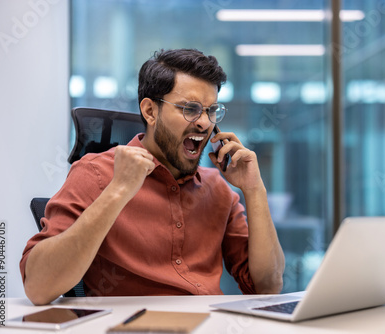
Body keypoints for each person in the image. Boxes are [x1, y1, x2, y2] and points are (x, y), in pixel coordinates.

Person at [20, 48, 285, 305]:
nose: (205, 123)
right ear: (150, 111)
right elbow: (38, 287)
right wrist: (118, 191)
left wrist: (254, 189)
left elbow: (268, 286)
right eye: (190, 109)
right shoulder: (96, 174)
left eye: (211, 110)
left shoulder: (217, 189)